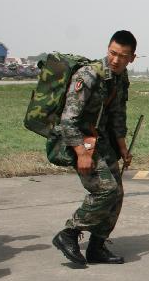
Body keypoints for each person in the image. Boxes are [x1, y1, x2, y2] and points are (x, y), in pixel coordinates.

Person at [51, 30, 137, 266]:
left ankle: (97, 247)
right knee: (105, 190)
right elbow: (68, 120)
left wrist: (123, 148)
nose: (116, 60)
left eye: (123, 56)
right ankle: (68, 233)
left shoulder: (121, 77)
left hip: (102, 141)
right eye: (113, 53)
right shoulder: (88, 75)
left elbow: (118, 115)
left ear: (132, 58)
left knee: (117, 194)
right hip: (79, 140)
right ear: (108, 49)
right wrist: (81, 153)